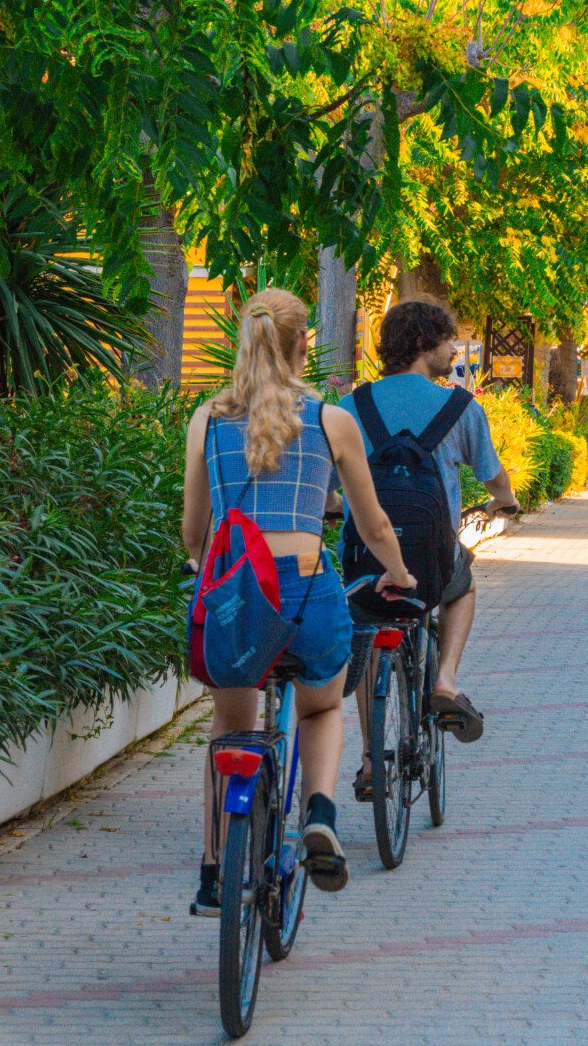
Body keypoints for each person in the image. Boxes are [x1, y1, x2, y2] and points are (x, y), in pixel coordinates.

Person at [181, 289, 417, 916]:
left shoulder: (206, 420)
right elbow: (372, 526)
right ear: (302, 345)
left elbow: (193, 531)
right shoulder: (331, 420)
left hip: (237, 600)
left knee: (230, 727)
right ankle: (319, 813)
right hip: (307, 592)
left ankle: (214, 871)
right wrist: (399, 573)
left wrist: (209, 564)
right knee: (321, 706)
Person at [340, 299, 519, 754]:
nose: (454, 351)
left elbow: (328, 484)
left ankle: (371, 761)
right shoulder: (459, 407)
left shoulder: (351, 406)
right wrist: (505, 502)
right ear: (423, 343)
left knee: (369, 629)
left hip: (367, 557)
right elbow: (493, 477)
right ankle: (445, 680)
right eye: (447, 341)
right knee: (463, 585)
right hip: (433, 558)